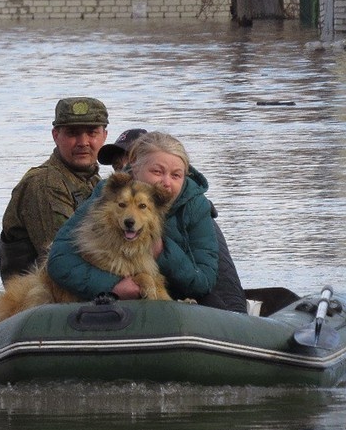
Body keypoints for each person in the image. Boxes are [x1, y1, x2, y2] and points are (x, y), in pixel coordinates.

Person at [48, 131, 244, 312]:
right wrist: (112, 286)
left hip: (183, 301)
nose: (166, 183)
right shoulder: (109, 193)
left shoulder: (197, 207)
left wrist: (161, 251)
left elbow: (203, 282)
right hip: (122, 299)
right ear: (135, 167)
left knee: (226, 309)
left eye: (176, 175)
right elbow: (59, 260)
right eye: (157, 172)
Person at [0, 97, 108, 283]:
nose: (83, 142)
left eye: (91, 133)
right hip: (39, 295)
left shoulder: (93, 181)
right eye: (72, 133)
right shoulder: (43, 183)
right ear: (56, 135)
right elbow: (60, 257)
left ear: (104, 135)